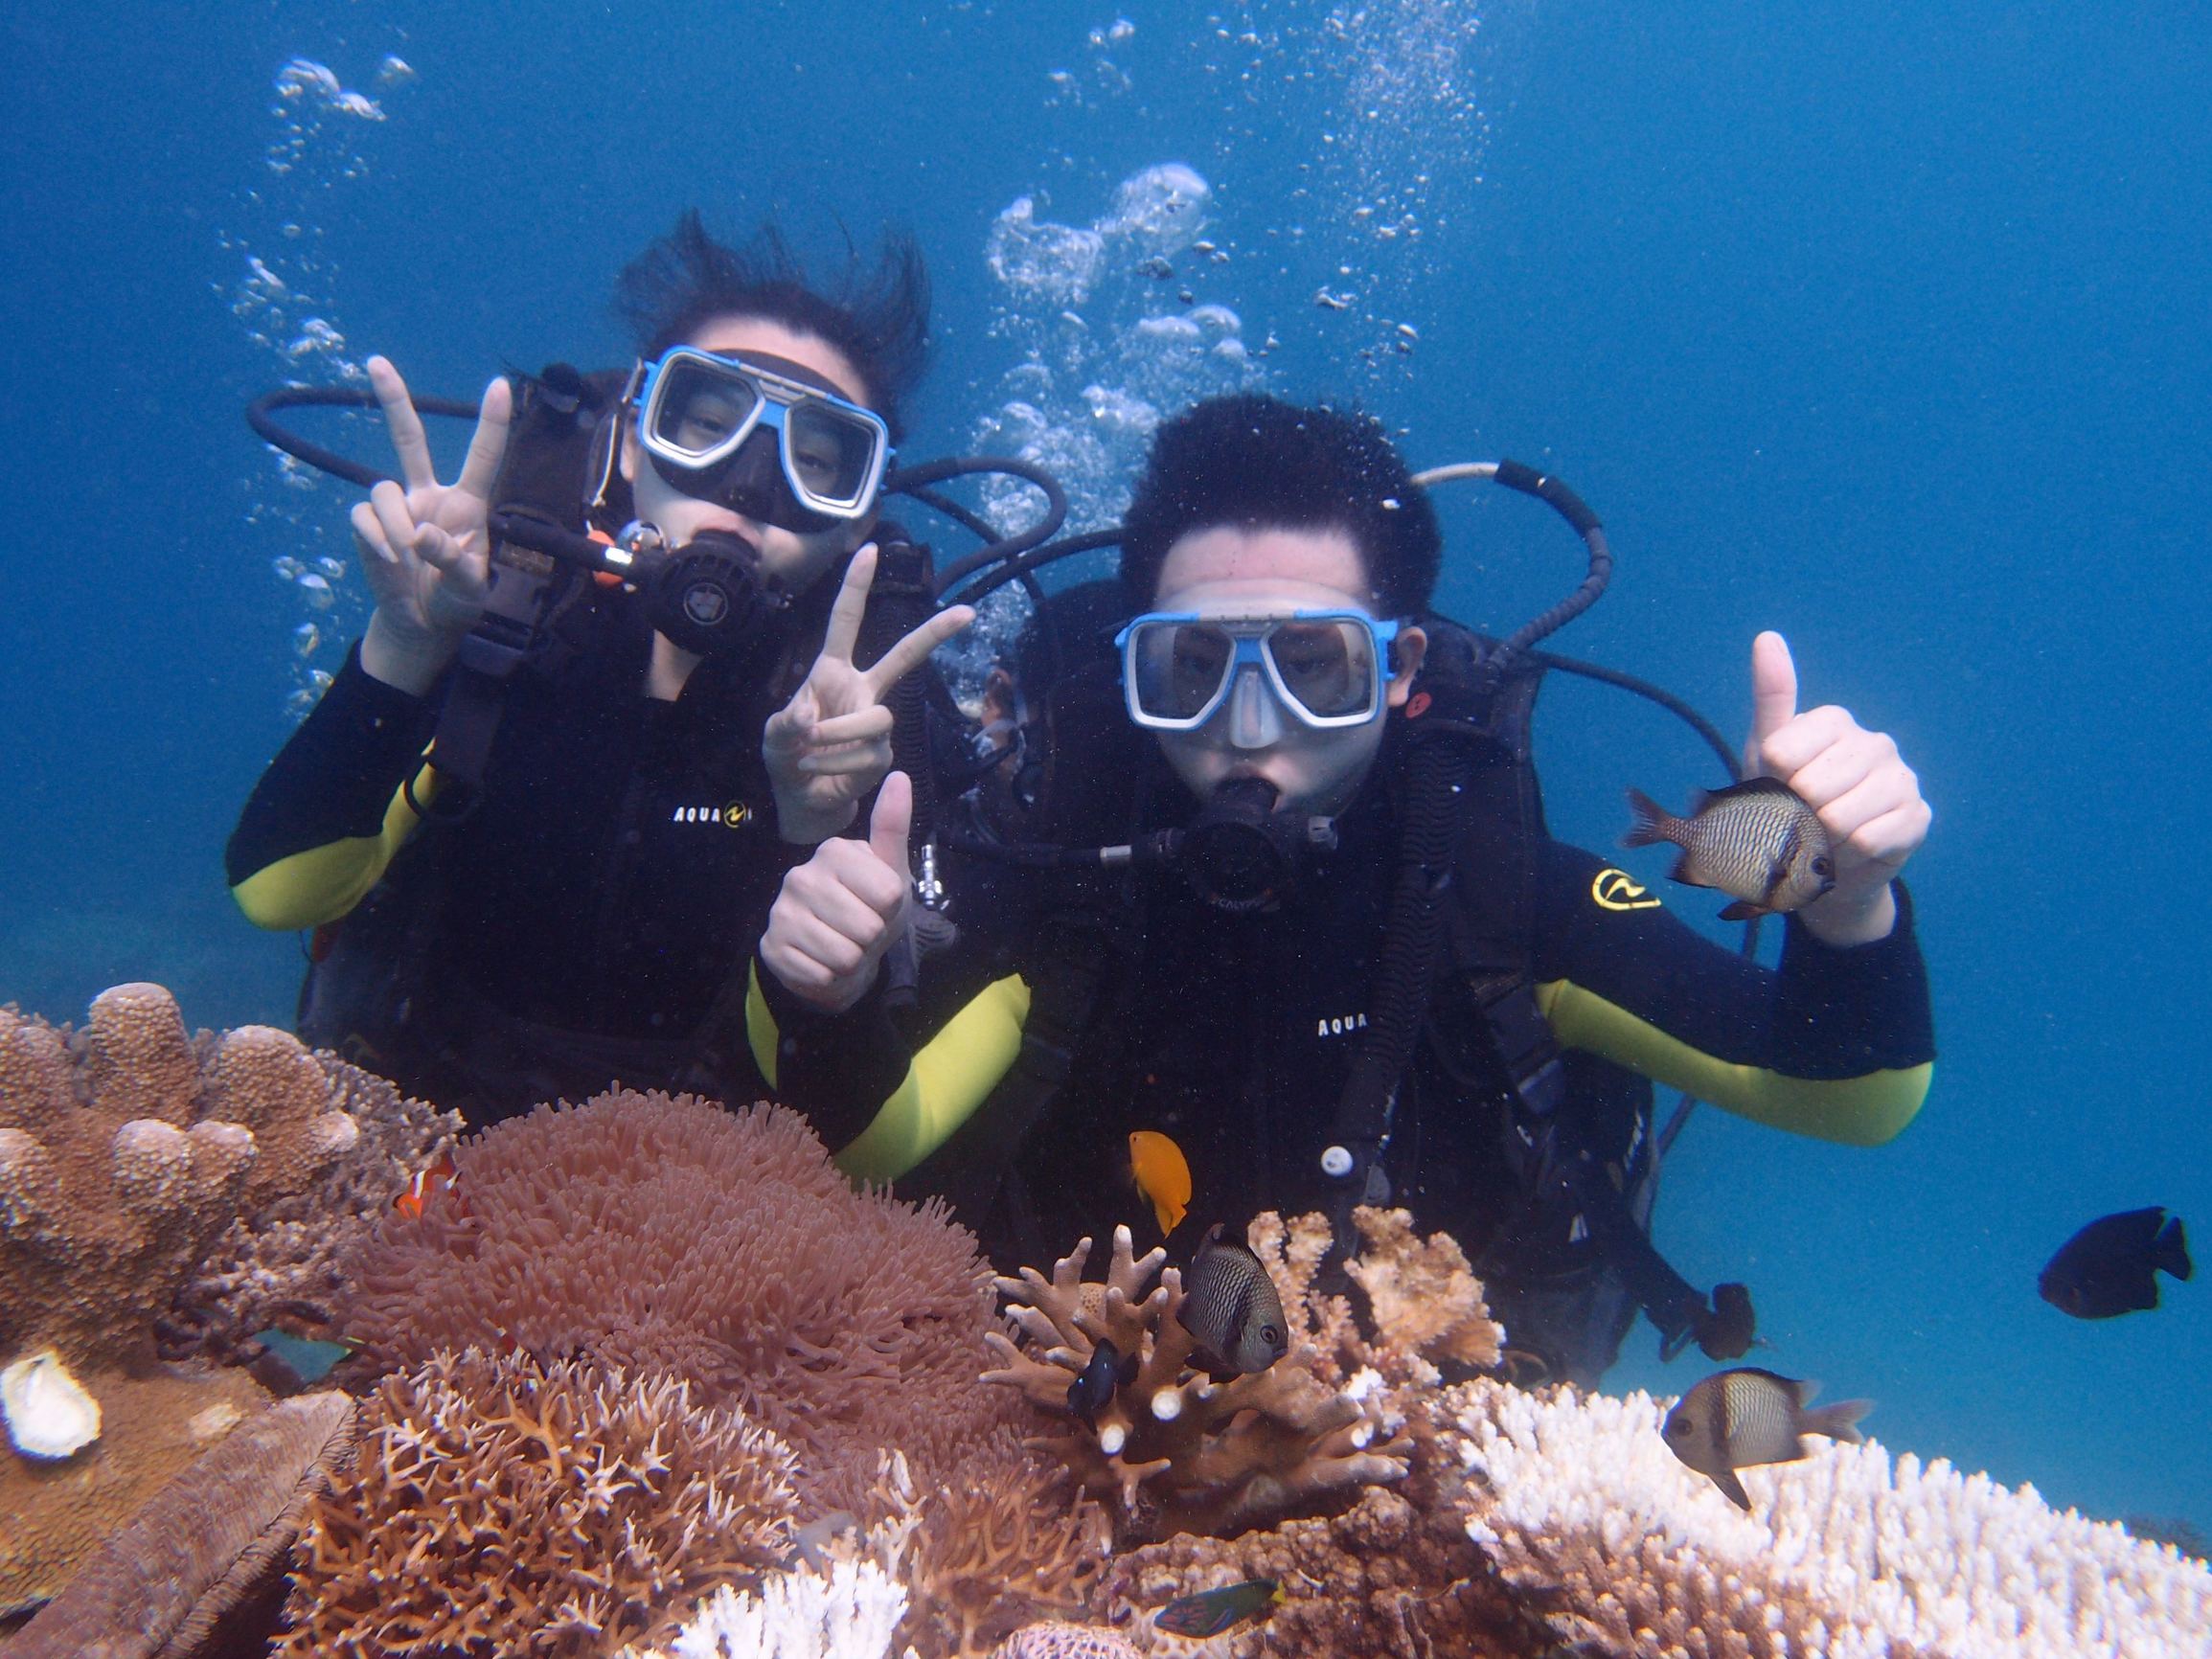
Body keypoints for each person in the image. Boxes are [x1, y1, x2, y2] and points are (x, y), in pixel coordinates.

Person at [748, 393, 1936, 1385]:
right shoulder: (1067, 872)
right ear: (1132, 664)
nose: (1248, 728)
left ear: (1401, 667)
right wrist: (819, 989)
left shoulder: (1484, 891)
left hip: (1446, 1437)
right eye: (1193, 667)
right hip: (1089, 1416)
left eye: (1315, 665)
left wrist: (1845, 906)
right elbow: (870, 1144)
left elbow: (1851, 1093)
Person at [227, 212, 972, 1124]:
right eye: (704, 424)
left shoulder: (870, 711)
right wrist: (404, 647)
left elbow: (856, 1133)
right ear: (629, 437)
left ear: (859, 517)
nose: (745, 486)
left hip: (700, 1195)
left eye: (818, 463)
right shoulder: (506, 607)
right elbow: (278, 891)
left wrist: (813, 832)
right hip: (414, 1125)